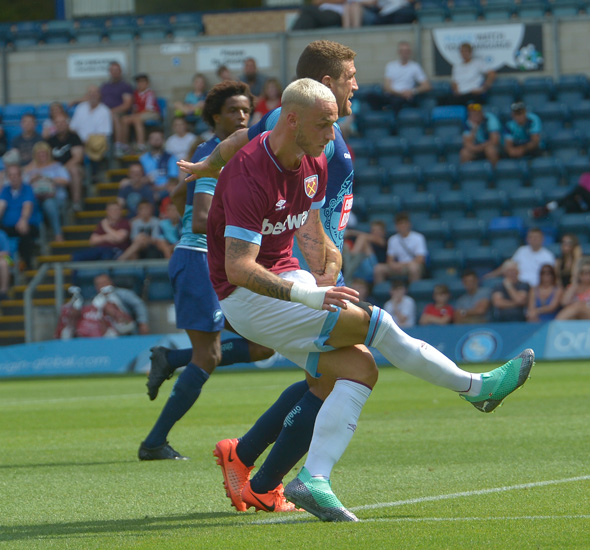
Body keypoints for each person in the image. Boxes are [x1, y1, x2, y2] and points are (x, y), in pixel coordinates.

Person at [205, 78, 533, 521]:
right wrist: (309, 294)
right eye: (324, 125)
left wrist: (328, 259)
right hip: (246, 297)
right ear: (292, 118)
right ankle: (476, 389)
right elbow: (237, 268)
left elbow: (309, 229)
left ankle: (313, 480)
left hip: (289, 282)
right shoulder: (248, 172)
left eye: (334, 125)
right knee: (374, 322)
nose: (331, 135)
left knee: (361, 368)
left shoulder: (314, 159)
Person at [139, 80, 277, 463]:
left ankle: (171, 359)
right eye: (233, 110)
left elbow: (179, 195)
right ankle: (153, 443)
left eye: (247, 110)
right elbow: (201, 219)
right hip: (200, 258)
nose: (242, 116)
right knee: (210, 355)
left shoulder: (238, 154)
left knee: (264, 344)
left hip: (224, 261)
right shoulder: (211, 153)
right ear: (215, 116)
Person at [535, 152, 590, 217]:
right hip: (586, 203)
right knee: (569, 203)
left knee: (578, 189)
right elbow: (580, 195)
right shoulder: (586, 176)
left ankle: (552, 206)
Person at [23, 142, 71, 243]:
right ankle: (32, 238)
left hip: (55, 197)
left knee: (49, 204)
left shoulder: (57, 166)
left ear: (48, 154)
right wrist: (32, 179)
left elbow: (66, 181)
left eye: (44, 153)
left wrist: (49, 179)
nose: (42, 156)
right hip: (36, 198)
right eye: (39, 153)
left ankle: (58, 234)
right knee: (26, 204)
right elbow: (23, 184)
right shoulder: (30, 169)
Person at [0, 163, 41, 268]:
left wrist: (23, 219)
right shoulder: (5, 190)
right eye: (10, 175)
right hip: (9, 227)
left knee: (24, 232)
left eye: (16, 175)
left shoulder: (27, 189)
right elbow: (1, 206)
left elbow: (27, 206)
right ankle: (9, 264)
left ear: (20, 176)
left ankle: (27, 266)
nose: (13, 178)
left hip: (27, 225)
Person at [484, 227, 555, 287]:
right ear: (527, 239)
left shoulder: (548, 256)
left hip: (536, 287)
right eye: (531, 237)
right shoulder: (521, 251)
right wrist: (491, 275)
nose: (534, 239)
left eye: (536, 237)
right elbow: (508, 265)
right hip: (518, 284)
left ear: (542, 239)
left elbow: (550, 276)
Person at [373, 212, 426, 284]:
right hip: (398, 267)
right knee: (378, 269)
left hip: (412, 264)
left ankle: (414, 292)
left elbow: (420, 259)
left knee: (413, 268)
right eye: (400, 224)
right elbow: (389, 260)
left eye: (405, 223)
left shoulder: (418, 237)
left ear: (409, 224)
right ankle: (381, 291)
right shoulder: (393, 239)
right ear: (396, 226)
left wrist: (403, 264)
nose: (403, 226)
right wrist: (394, 265)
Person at [46, 114, 85, 211]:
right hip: (55, 169)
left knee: (74, 170)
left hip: (71, 167)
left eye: (62, 122)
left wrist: (63, 169)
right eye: (57, 123)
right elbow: (47, 159)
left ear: (67, 124)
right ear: (54, 126)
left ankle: (76, 202)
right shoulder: (50, 140)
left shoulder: (74, 137)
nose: (60, 125)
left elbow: (78, 158)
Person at [379, 41, 431, 112]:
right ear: (399, 52)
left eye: (406, 51)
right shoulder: (390, 66)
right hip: (393, 95)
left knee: (398, 102)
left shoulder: (415, 67)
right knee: (370, 96)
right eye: (402, 51)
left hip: (407, 97)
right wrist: (400, 93)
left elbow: (427, 86)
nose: (404, 53)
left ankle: (389, 108)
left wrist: (412, 91)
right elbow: (387, 86)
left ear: (410, 52)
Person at [70, 86, 113, 166]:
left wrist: (87, 142)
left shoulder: (105, 111)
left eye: (95, 93)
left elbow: (103, 134)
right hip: (78, 142)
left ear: (99, 95)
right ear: (87, 95)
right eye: (90, 93)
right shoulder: (80, 107)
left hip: (95, 144)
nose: (93, 95)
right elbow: (72, 127)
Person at [99, 61, 134, 157]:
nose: (114, 72)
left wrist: (111, 111)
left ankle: (118, 145)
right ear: (109, 72)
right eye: (112, 70)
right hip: (103, 114)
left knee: (115, 117)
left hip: (119, 113)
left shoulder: (125, 86)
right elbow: (93, 97)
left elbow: (127, 105)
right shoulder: (104, 86)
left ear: (120, 71)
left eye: (117, 70)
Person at [120, 73, 161, 151]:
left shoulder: (149, 93)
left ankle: (141, 145)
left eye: (143, 82)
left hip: (152, 113)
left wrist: (135, 115)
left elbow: (149, 109)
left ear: (147, 83)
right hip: (139, 114)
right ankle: (124, 145)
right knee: (124, 119)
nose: (140, 84)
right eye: (139, 82)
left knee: (137, 119)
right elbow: (135, 108)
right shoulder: (135, 94)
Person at [140, 128, 180, 197]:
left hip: (166, 190)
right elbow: (139, 178)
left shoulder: (171, 157)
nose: (156, 140)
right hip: (146, 189)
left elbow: (173, 179)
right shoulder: (143, 159)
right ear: (149, 141)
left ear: (163, 141)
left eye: (158, 138)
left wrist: (160, 188)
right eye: (153, 138)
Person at [459, 102, 501, 167]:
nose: (475, 116)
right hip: (477, 148)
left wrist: (480, 147)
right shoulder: (468, 123)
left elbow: (495, 140)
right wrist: (474, 129)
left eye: (477, 113)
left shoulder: (490, 119)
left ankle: (495, 173)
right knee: (464, 153)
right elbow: (467, 143)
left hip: (489, 146)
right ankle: (467, 174)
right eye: (472, 114)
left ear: (482, 113)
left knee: (490, 150)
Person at [0, 232, 10, 300]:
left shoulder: (2, 235)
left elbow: (6, 252)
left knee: (3, 263)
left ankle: (3, 291)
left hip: (8, 258)